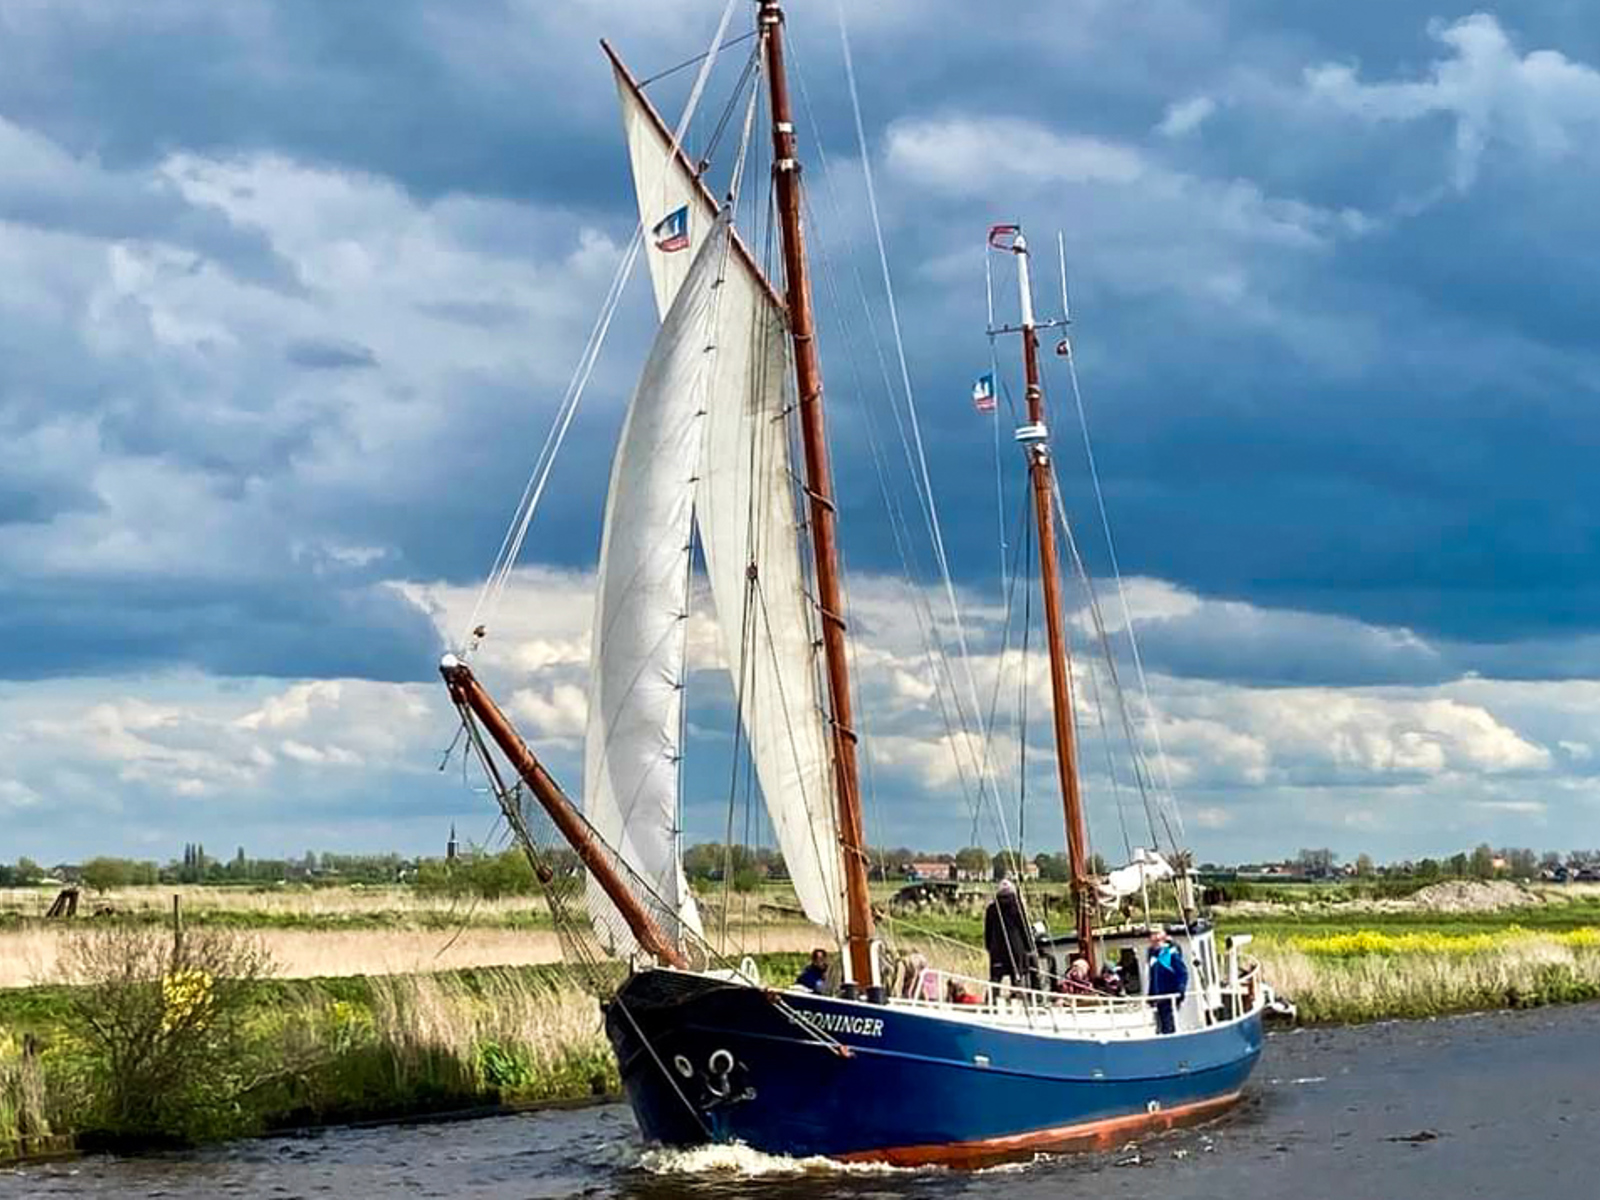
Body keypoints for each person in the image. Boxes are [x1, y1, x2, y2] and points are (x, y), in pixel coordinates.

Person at [984, 879, 1037, 991]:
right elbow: (1024, 928)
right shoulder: (1018, 908)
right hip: (1016, 947)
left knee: (995, 978)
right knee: (1016, 977)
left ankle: (992, 1003)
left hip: (997, 949)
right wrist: (1030, 947)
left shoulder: (992, 909)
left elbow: (988, 930)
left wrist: (988, 946)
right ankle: (1017, 999)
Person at [1147, 928, 1189, 1034]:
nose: (1155, 938)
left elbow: (1182, 973)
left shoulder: (1170, 953)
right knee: (1160, 1024)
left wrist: (1181, 989)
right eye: (1152, 936)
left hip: (1170, 997)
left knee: (1169, 1024)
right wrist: (1151, 995)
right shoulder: (1153, 956)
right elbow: (1153, 978)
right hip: (1158, 998)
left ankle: (1170, 1039)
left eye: (1157, 936)